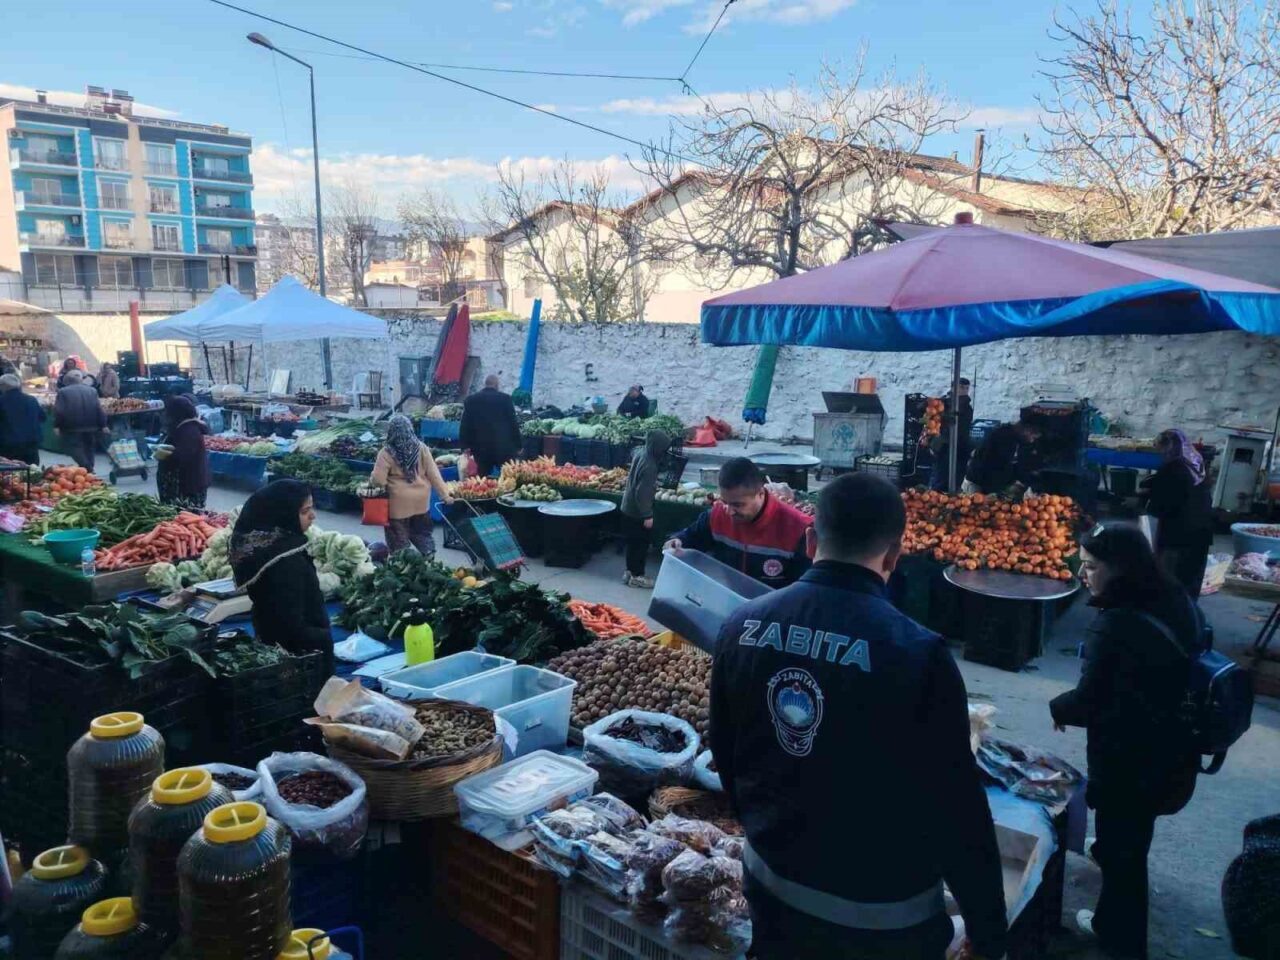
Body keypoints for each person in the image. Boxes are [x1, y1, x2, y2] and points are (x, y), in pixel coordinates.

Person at [711, 473, 1008, 960]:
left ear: (811, 541)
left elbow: (726, 750)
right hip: (881, 920)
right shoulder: (918, 653)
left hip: (770, 888)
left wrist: (766, 828)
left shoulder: (741, 624)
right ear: (894, 555)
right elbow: (957, 807)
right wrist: (988, 928)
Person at [1049, 522, 1202, 960]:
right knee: (1131, 839)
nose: (1082, 573)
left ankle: (1120, 940)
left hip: (1131, 758)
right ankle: (1110, 900)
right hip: (1175, 747)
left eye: (1091, 566)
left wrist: (1058, 707)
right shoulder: (1173, 597)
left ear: (1120, 569)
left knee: (1125, 856)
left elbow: (1089, 700)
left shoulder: (1116, 624)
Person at [230, 479, 334, 675]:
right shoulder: (284, 562)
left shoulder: (269, 548)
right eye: (305, 511)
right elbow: (291, 626)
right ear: (284, 514)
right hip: (298, 657)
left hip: (271, 642)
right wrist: (323, 639)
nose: (313, 516)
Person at [664, 457, 812, 588]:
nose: (729, 511)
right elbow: (691, 537)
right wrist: (676, 541)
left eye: (738, 505)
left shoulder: (799, 529)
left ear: (760, 494)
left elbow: (805, 589)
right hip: (729, 599)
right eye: (724, 502)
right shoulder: (717, 515)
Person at [1140, 429, 1214, 598]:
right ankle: (1190, 610)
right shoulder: (1196, 463)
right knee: (1192, 579)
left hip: (1179, 534)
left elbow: (1160, 507)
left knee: (1172, 579)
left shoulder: (1172, 469)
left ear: (1168, 447)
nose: (1159, 453)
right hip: (1202, 530)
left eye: (1160, 448)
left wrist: (1145, 499)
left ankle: (1172, 610)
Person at [369, 414, 454, 557]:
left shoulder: (386, 452)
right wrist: (445, 495)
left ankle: (403, 561)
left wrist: (373, 480)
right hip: (421, 502)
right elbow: (434, 474)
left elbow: (379, 480)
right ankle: (429, 554)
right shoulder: (421, 448)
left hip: (397, 505)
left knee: (398, 539)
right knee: (422, 533)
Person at [619, 430, 670, 588]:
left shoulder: (641, 453)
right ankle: (637, 576)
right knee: (640, 545)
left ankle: (629, 572)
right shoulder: (650, 466)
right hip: (638, 511)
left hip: (627, 506)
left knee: (632, 543)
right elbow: (642, 493)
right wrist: (647, 515)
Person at [459, 374, 521, 477]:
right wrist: (518, 445)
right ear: (497, 385)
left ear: (485, 384)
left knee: (482, 480)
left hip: (480, 448)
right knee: (507, 477)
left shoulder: (471, 400)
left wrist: (464, 445)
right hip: (502, 447)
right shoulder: (505, 399)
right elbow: (513, 423)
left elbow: (465, 424)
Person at [156, 395, 211, 508]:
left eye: (167, 412)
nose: (165, 416)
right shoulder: (182, 427)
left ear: (176, 414)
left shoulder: (189, 431)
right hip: (185, 486)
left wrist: (165, 456)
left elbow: (181, 457)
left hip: (187, 488)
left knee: (184, 514)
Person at [964, 420, 1041, 496]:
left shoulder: (1012, 437)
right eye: (1033, 437)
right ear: (1027, 431)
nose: (1031, 441)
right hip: (979, 484)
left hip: (988, 482)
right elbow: (1000, 466)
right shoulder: (1005, 438)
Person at [53, 369, 107, 471]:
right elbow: (98, 408)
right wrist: (103, 424)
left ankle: (87, 467)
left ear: (67, 381)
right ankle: (89, 469)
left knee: (74, 447)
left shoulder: (63, 392)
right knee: (89, 448)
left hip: (72, 426)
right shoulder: (92, 390)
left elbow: (60, 410)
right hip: (91, 425)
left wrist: (57, 425)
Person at [930, 378, 974, 491]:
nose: (964, 390)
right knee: (941, 477)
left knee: (955, 478)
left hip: (959, 447)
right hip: (945, 446)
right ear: (953, 388)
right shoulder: (944, 403)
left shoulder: (965, 407)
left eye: (967, 388)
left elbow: (962, 429)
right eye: (961, 387)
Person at [0, 374, 44, 465]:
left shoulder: (1, 401)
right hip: (31, 443)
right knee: (32, 469)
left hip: (8, 445)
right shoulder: (31, 400)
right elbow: (42, 417)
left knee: (10, 470)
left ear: (3, 386)